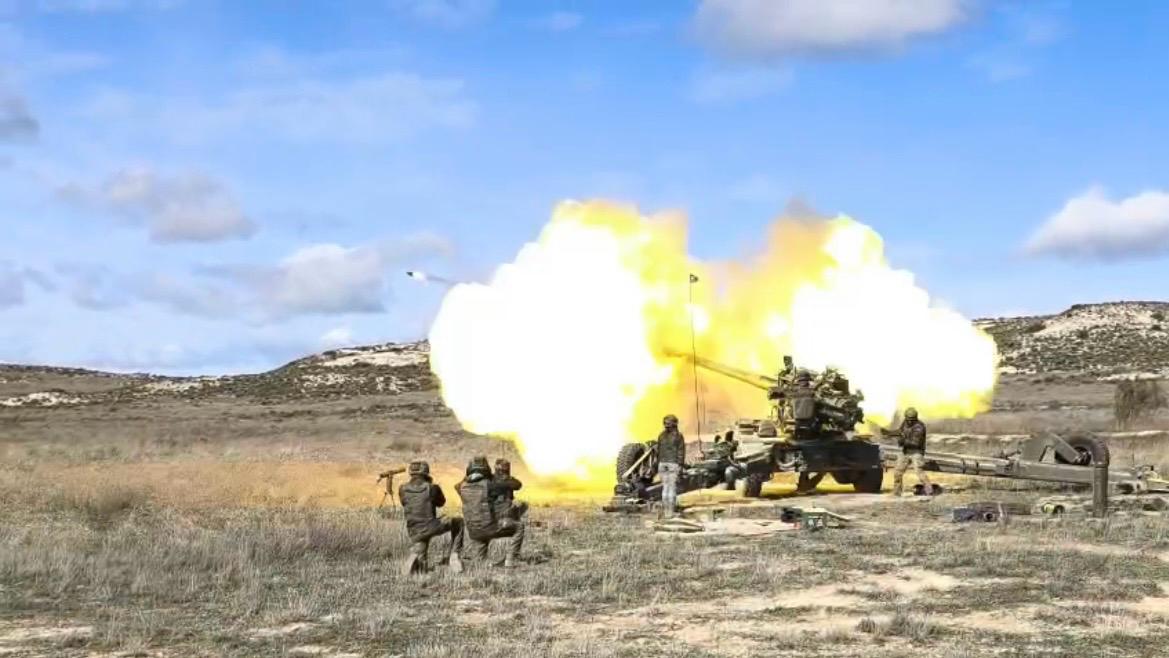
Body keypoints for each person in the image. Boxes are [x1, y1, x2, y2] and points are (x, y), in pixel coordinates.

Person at [397, 460, 464, 575]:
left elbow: (405, 503)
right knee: (458, 521)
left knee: (422, 567)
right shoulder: (431, 487)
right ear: (426, 472)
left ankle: (415, 559)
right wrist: (433, 485)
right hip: (431, 525)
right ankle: (454, 555)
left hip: (414, 530)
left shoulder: (402, 489)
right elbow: (441, 502)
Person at [456, 456, 525, 567]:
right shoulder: (490, 485)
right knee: (519, 526)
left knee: (480, 562)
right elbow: (516, 485)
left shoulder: (461, 486)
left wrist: (467, 478)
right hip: (489, 527)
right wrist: (503, 475)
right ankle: (510, 560)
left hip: (473, 531)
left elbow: (458, 486)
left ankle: (482, 561)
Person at [886, 407, 933, 496]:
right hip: (906, 451)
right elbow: (900, 431)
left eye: (912, 420)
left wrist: (903, 442)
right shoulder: (905, 422)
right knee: (898, 472)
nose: (910, 421)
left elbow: (916, 443)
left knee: (919, 472)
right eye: (908, 419)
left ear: (916, 418)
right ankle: (897, 493)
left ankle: (929, 491)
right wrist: (889, 433)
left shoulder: (919, 427)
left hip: (916, 452)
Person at [656, 414, 686, 517]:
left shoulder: (661, 435)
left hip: (662, 464)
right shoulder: (678, 436)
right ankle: (671, 513)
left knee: (665, 488)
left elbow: (658, 451)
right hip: (673, 464)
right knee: (672, 488)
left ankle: (665, 512)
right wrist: (680, 466)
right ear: (675, 424)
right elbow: (681, 452)